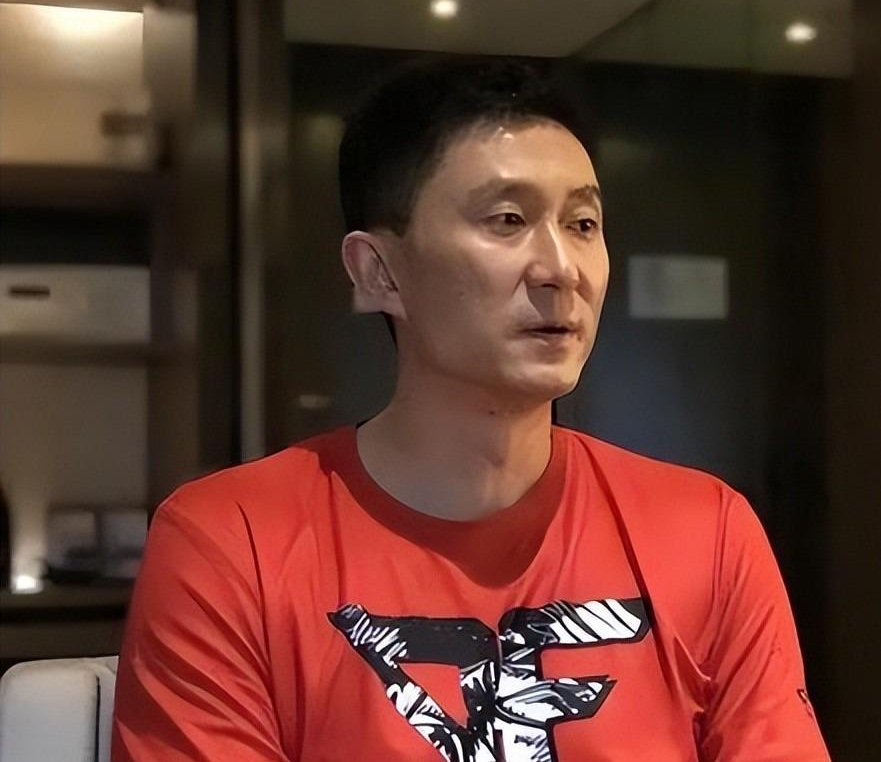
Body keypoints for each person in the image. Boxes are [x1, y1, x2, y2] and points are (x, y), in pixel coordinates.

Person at [111, 58, 832, 762]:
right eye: (508, 219)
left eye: (583, 224)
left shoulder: (706, 533)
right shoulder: (231, 543)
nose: (561, 269)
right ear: (378, 271)